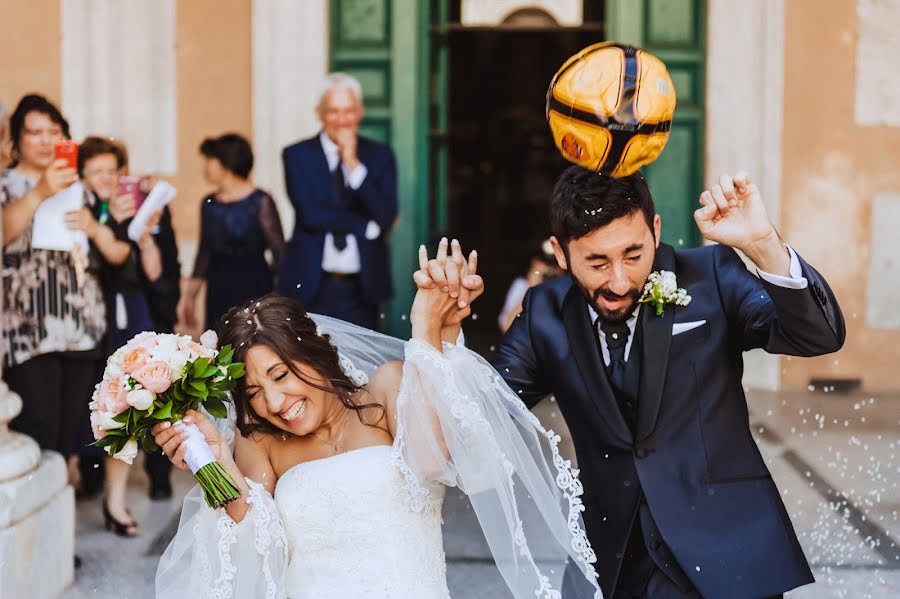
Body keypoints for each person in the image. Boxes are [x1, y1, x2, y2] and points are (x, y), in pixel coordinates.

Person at [150, 240, 603, 599]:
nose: (273, 401)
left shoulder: (388, 388)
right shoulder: (259, 439)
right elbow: (255, 551)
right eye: (253, 393)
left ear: (315, 350)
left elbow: (435, 460)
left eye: (280, 375)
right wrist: (211, 463)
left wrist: (426, 328)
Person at [487, 166, 845, 598]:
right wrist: (440, 334)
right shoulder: (544, 310)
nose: (619, 280)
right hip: (614, 564)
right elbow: (488, 410)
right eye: (597, 262)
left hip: (729, 551)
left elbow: (818, 335)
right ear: (560, 255)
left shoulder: (712, 273)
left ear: (655, 231)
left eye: (634, 255)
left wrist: (763, 245)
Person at [0, 95, 110, 482]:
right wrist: (39, 192)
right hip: (28, 329)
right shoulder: (7, 184)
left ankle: (55, 538)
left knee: (68, 436)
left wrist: (104, 223)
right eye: (35, 132)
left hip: (79, 325)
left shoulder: (81, 187)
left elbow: (107, 242)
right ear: (17, 139)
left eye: (54, 132)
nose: (46, 140)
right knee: (36, 427)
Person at [278, 73, 397, 329]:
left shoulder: (380, 156)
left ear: (361, 111)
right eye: (333, 111)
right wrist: (365, 226)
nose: (342, 120)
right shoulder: (296, 155)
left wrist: (352, 163)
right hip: (312, 283)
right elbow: (310, 215)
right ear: (319, 113)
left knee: (362, 367)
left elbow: (386, 215)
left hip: (362, 287)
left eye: (349, 111)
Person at [108, 142, 181, 500]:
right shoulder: (100, 209)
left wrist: (149, 230)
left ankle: (159, 473)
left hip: (154, 312)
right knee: (110, 396)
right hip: (113, 313)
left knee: (158, 393)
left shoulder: (156, 211)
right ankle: (97, 478)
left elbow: (164, 270)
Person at [180, 133, 284, 332]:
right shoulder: (208, 203)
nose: (206, 167)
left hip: (255, 285)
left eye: (210, 160)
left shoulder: (260, 200)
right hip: (218, 287)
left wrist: (279, 299)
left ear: (225, 162)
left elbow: (280, 252)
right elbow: (204, 254)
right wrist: (189, 297)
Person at [498, 239, 563, 333]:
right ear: (534, 263)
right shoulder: (522, 285)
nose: (549, 269)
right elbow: (506, 326)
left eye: (554, 263)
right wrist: (531, 288)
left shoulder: (566, 287)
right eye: (544, 262)